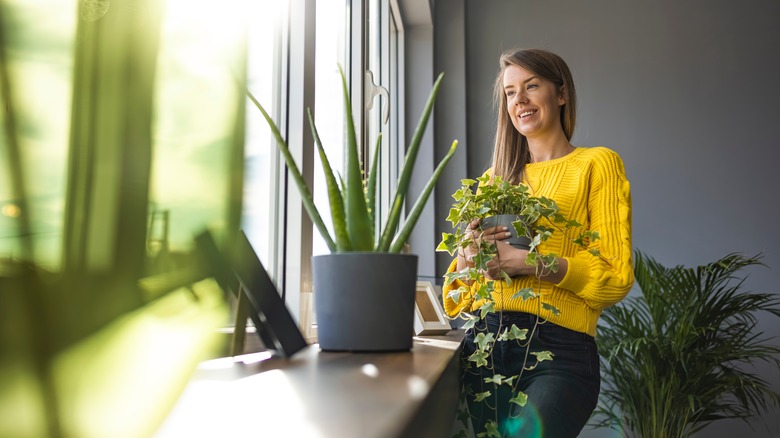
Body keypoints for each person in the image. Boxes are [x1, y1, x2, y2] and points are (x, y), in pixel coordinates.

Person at [442, 48, 634, 437]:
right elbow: (457, 297)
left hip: (559, 351)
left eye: (532, 87)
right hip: (485, 346)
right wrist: (467, 256)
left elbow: (615, 277)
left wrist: (528, 262)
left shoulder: (597, 164)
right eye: (511, 93)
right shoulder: (493, 179)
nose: (520, 101)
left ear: (561, 94)